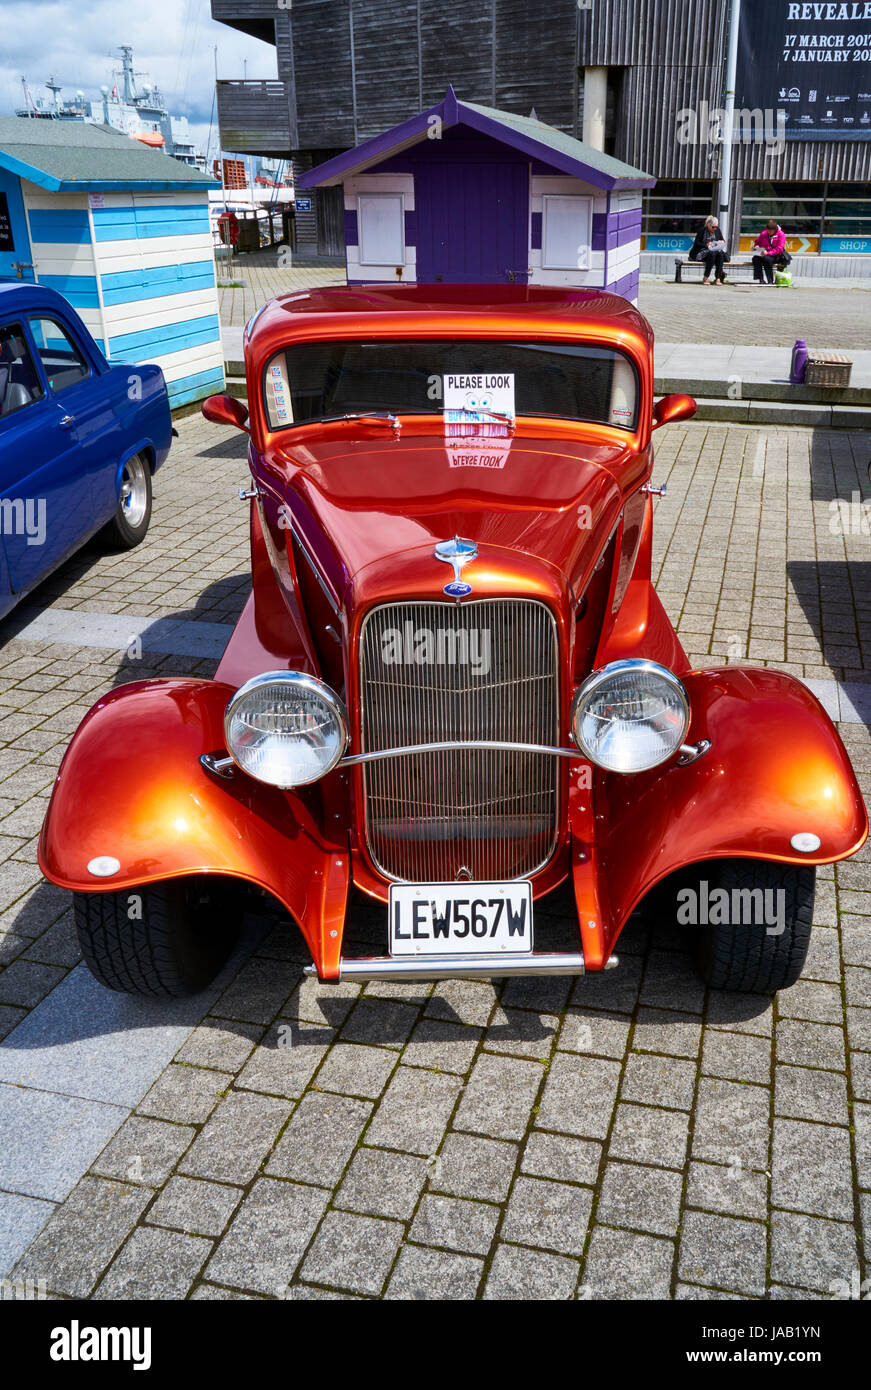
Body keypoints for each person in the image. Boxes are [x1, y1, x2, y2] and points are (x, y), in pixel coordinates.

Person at [689, 216, 728, 285]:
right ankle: (706, 277)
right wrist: (706, 245)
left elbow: (722, 239)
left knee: (720, 254)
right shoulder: (702, 230)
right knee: (712, 254)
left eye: (716, 227)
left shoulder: (717, 230)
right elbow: (697, 243)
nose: (715, 228)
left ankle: (718, 278)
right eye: (713, 227)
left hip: (715, 251)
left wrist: (721, 242)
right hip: (702, 252)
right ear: (708, 225)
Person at [752, 219, 787, 284]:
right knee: (755, 259)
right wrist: (756, 247)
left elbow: (780, 249)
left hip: (775, 255)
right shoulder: (764, 233)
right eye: (768, 230)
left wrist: (768, 253)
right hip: (764, 253)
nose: (769, 232)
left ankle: (770, 280)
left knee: (767, 259)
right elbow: (757, 242)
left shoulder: (781, 234)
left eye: (771, 230)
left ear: (775, 229)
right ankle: (761, 279)